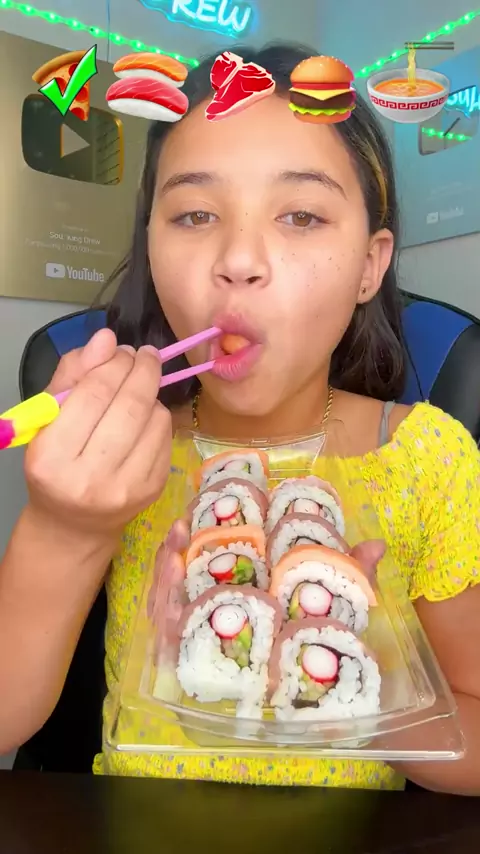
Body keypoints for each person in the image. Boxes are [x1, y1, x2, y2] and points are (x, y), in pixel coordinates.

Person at [1, 43, 479, 794]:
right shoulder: (123, 453)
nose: (240, 259)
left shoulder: (426, 457)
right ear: (151, 247)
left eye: (301, 215)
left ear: (369, 264)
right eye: (195, 214)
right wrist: (66, 527)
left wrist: (354, 677)